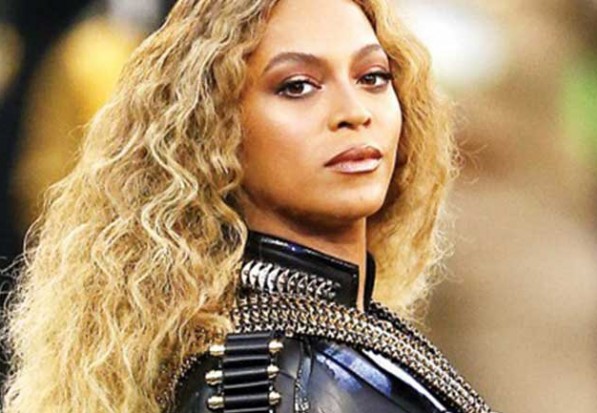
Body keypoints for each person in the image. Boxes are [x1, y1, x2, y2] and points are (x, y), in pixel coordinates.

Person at [2, 0, 495, 412]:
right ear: (213, 131)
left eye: (373, 77)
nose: (354, 112)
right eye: (297, 86)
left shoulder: (332, 337)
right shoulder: (265, 385)